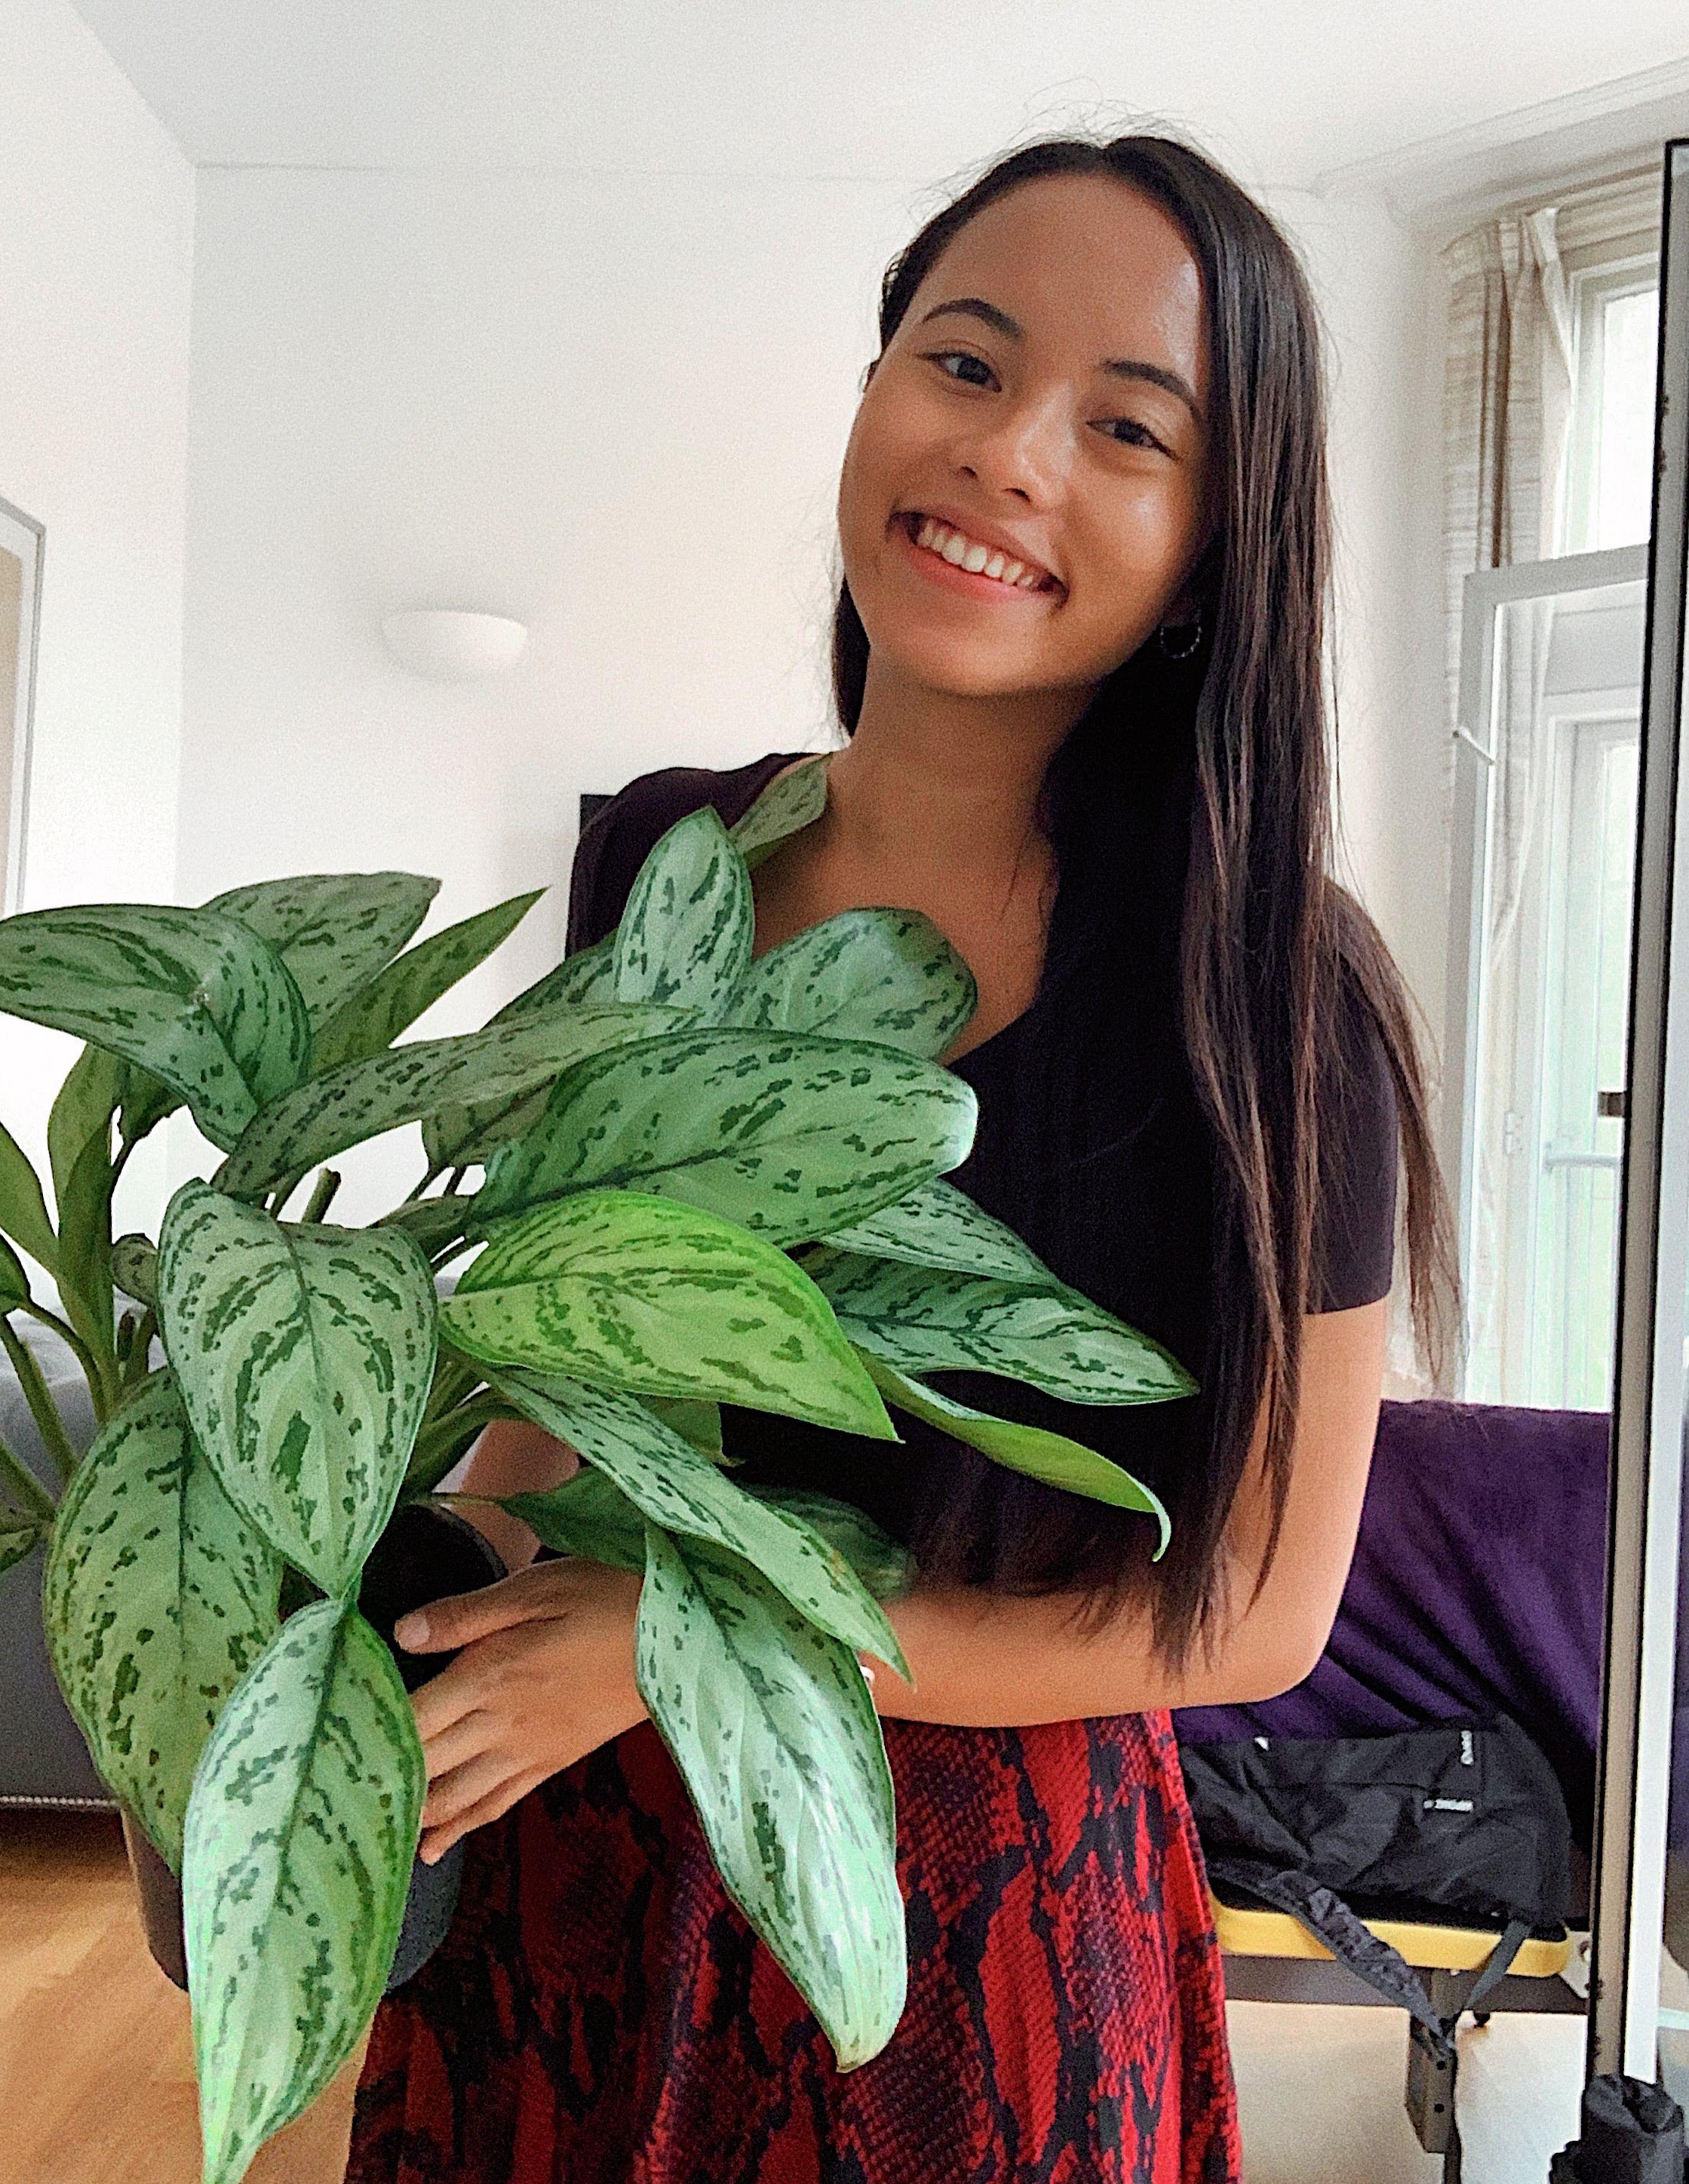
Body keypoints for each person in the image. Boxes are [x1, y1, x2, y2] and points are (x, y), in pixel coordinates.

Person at [343, 129, 1459, 2184]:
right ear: (873, 391)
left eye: (1125, 427)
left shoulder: (1267, 995)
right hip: (572, 1847)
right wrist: (409, 1586)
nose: (1007, 455)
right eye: (961, 362)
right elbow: (584, 1343)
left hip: (969, 1920)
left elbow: (1254, 1617)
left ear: (1220, 541)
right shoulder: (669, 858)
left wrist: (680, 1658)